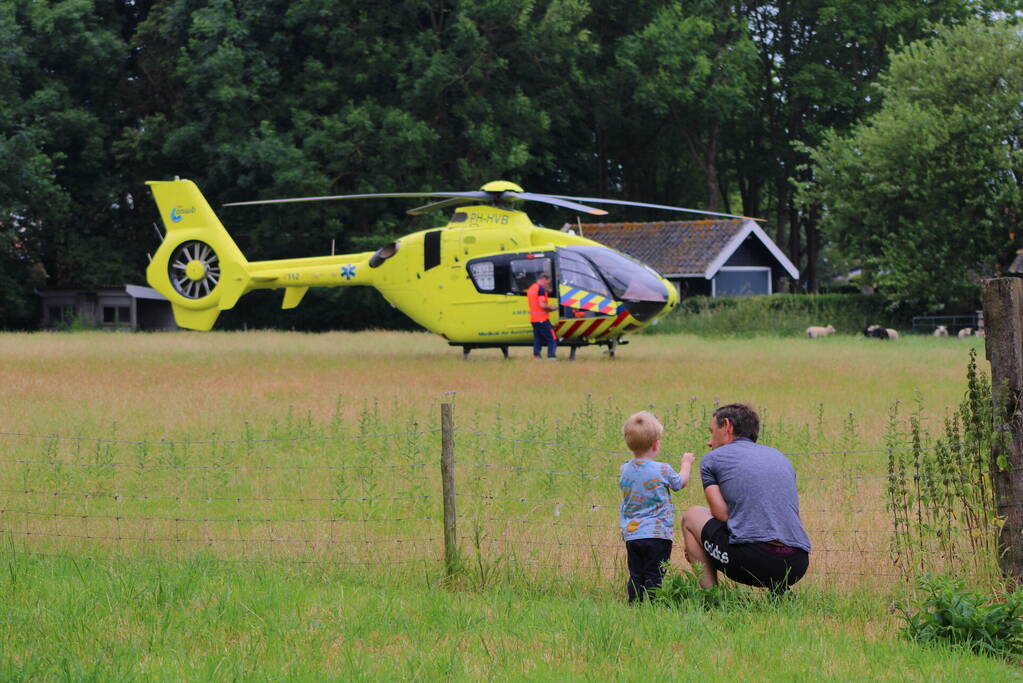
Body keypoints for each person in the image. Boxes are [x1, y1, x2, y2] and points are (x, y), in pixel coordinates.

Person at [682, 403, 811, 592]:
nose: (709, 442)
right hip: (797, 563)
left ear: (727, 426)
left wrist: (704, 547)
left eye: (712, 432)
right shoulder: (780, 457)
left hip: (751, 561)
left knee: (692, 516)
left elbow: (720, 514)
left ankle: (712, 597)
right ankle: (779, 594)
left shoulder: (713, 458)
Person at [618, 411, 695, 602]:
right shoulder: (662, 469)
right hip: (657, 534)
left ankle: (634, 605)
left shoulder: (625, 469)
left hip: (633, 534)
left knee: (636, 574)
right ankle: (653, 606)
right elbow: (679, 483)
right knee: (655, 575)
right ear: (656, 444)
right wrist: (686, 463)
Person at [526, 272, 558, 359]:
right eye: (547, 282)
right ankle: (551, 357)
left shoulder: (531, 288)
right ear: (543, 279)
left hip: (534, 320)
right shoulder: (540, 289)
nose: (547, 284)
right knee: (552, 338)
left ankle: (536, 356)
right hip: (542, 319)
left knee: (538, 339)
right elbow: (542, 305)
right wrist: (552, 308)